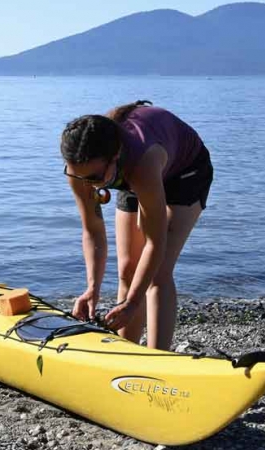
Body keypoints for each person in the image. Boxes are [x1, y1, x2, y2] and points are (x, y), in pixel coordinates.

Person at [59, 100, 213, 350]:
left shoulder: (143, 163)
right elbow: (92, 230)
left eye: (95, 179)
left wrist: (132, 302)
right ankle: (126, 352)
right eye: (80, 177)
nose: (89, 186)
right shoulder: (81, 171)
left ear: (115, 156)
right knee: (128, 269)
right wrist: (92, 289)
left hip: (185, 174)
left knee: (158, 273)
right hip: (126, 174)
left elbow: (156, 241)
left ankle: (157, 358)